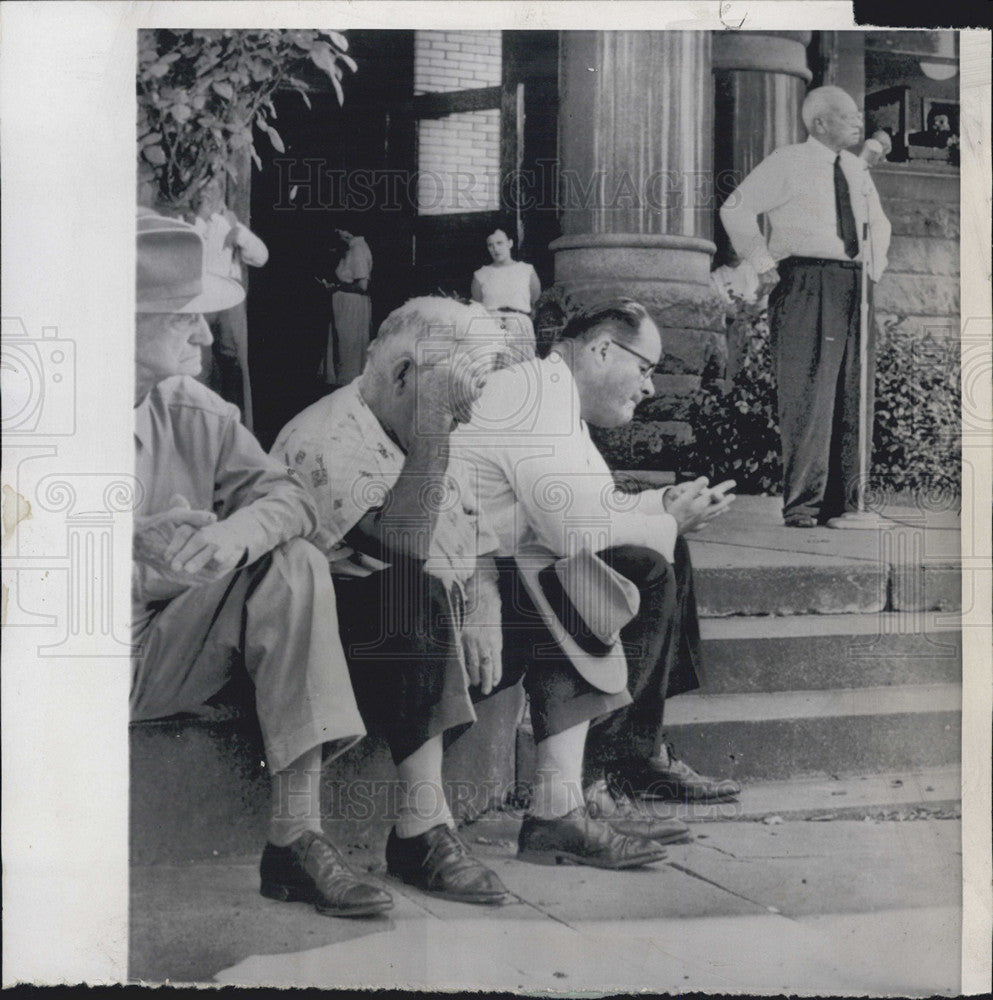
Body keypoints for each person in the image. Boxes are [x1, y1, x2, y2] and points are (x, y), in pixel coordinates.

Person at [272, 296, 671, 882]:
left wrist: (485, 592)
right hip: (356, 645)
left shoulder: (425, 423)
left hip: (444, 635)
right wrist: (436, 428)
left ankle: (558, 809)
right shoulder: (323, 436)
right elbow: (404, 547)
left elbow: (471, 524)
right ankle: (421, 832)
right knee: (412, 588)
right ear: (408, 374)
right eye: (457, 397)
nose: (467, 414)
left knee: (547, 572)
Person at [132, 212, 393, 920]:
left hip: (156, 652)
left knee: (295, 560)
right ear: (122, 321)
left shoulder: (193, 408)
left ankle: (296, 836)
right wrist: (123, 545)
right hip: (54, 666)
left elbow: (291, 498)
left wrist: (235, 536)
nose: (206, 336)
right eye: (185, 318)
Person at [449, 298, 742, 825]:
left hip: (516, 569)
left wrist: (663, 506)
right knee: (640, 565)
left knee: (664, 546)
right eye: (645, 369)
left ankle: (642, 752)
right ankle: (591, 778)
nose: (649, 387)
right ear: (604, 350)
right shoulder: (535, 395)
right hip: (472, 585)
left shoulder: (557, 399)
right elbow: (575, 531)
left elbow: (595, 511)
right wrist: (669, 522)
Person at [720, 86, 892, 527]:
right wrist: (761, 263)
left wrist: (873, 269)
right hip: (806, 281)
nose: (859, 122)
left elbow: (879, 225)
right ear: (819, 123)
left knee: (855, 392)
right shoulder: (788, 160)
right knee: (809, 392)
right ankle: (804, 506)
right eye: (849, 116)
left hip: (855, 285)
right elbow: (735, 208)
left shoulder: (856, 169)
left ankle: (847, 505)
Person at [189, 175, 269, 431]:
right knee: (200, 368)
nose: (208, 195)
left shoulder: (230, 221)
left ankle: (242, 432)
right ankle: (203, 432)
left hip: (229, 303)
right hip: (200, 301)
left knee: (235, 365)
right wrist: (201, 222)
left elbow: (261, 257)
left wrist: (241, 236)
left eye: (213, 190)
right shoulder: (189, 222)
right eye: (203, 190)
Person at [471, 228, 541, 363]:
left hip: (519, 324)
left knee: (521, 370)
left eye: (499, 243)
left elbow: (535, 298)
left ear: (510, 243)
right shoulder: (481, 274)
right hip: (492, 326)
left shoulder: (526, 270)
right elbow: (477, 306)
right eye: (490, 245)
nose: (495, 249)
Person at [321, 228, 373, 385]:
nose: (337, 235)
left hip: (351, 307)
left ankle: (346, 386)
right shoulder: (353, 248)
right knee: (345, 348)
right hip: (346, 305)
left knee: (348, 349)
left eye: (339, 231)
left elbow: (362, 285)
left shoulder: (356, 249)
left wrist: (336, 288)